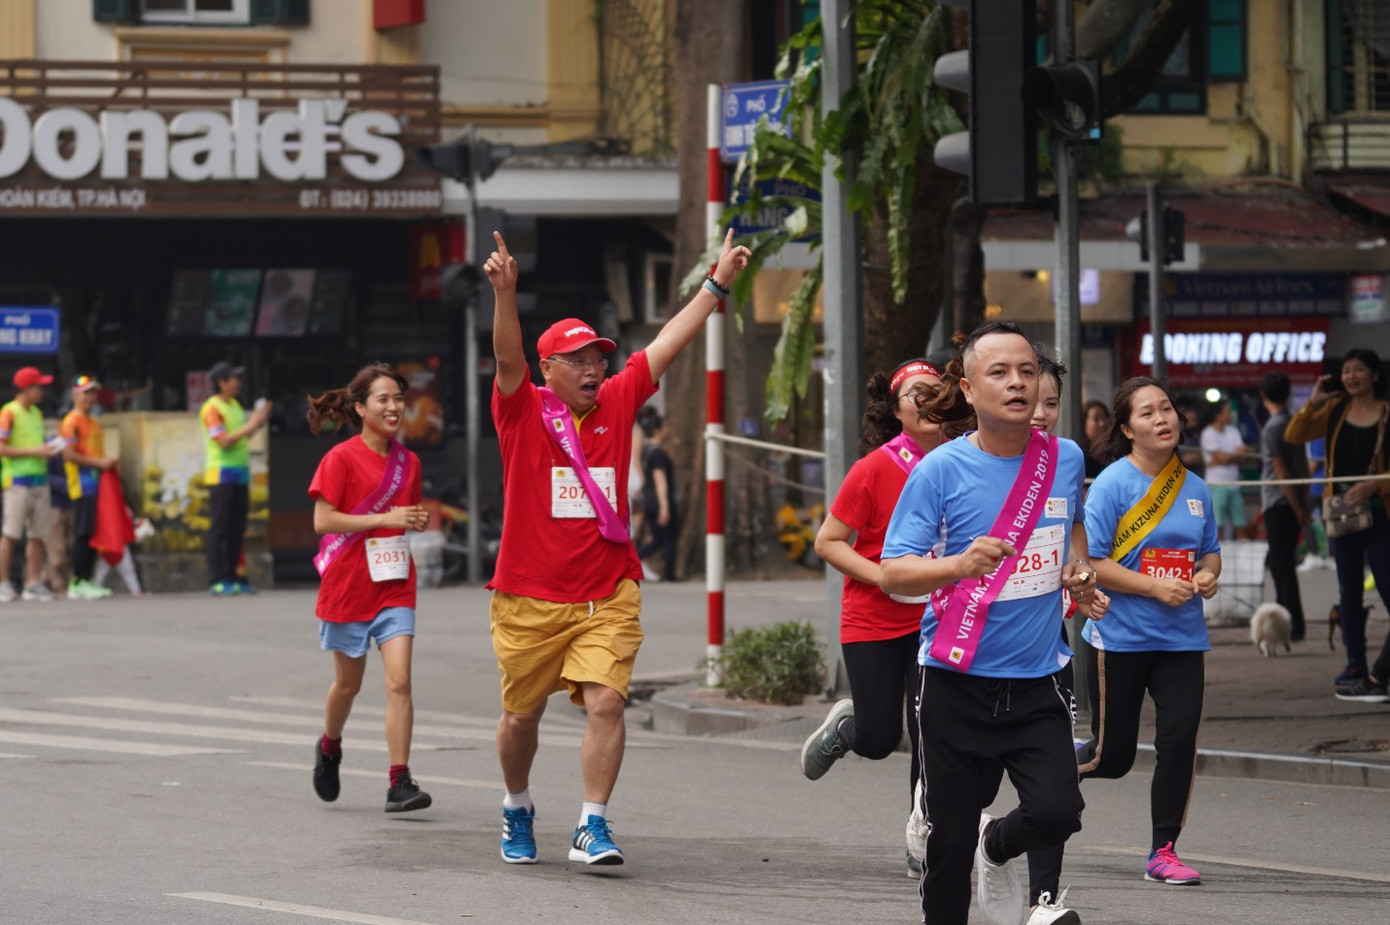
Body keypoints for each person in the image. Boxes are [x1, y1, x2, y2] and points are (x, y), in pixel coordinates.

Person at [482, 227, 750, 866]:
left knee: (606, 700)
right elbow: (508, 360)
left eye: (598, 357)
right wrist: (505, 294)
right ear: (550, 369)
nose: (594, 368)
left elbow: (667, 344)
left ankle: (591, 824)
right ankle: (516, 806)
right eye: (578, 360)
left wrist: (715, 286)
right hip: (528, 596)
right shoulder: (523, 410)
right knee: (521, 719)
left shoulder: (619, 401)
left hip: (608, 589)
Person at [880, 322, 1096, 925]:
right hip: (955, 680)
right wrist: (957, 564)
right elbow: (893, 574)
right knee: (946, 843)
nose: (1017, 383)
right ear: (970, 390)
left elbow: (1070, 528)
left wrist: (1078, 570)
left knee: (1060, 811)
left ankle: (996, 845)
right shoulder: (939, 471)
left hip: (1038, 680)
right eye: (999, 373)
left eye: (1027, 371)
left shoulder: (1066, 458)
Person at [800, 358, 944, 879]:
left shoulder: (961, 462)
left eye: (938, 392)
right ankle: (848, 727)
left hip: (938, 617)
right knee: (881, 738)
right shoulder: (874, 468)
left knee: (931, 731)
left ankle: (922, 837)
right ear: (896, 410)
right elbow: (828, 542)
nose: (928, 401)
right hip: (873, 618)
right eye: (916, 394)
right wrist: (880, 574)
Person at [1078, 377, 1221, 886]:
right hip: (1120, 638)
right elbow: (1091, 562)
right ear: (1127, 429)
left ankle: (1164, 850)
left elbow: (1210, 550)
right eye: (1147, 413)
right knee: (1110, 758)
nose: (1162, 419)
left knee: (1179, 741)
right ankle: (1046, 774)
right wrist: (1152, 588)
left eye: (1167, 409)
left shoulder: (1197, 488)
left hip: (1182, 640)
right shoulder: (1112, 484)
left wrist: (1207, 575)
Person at [306, 363, 433, 814]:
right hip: (348, 586)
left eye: (399, 397)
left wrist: (413, 519)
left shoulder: (409, 463)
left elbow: (407, 518)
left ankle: (399, 781)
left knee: (399, 681)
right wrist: (387, 518)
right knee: (347, 685)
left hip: (395, 583)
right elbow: (324, 521)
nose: (394, 406)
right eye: (383, 398)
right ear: (360, 408)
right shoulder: (340, 458)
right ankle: (329, 745)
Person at [1284, 348, 1390, 690]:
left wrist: (1376, 484)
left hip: (1381, 512)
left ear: (1375, 375)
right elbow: (1294, 435)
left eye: (1359, 369)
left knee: (1386, 589)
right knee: (1348, 594)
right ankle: (1355, 665)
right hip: (1342, 513)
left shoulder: (1387, 411)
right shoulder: (1335, 410)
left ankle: (1380, 668)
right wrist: (1313, 402)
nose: (1351, 376)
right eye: (1346, 371)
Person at [200, 361, 271, 596]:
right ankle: (217, 579)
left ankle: (234, 576)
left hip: (240, 473)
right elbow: (223, 441)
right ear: (221, 382)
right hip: (221, 474)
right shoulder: (212, 408)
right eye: (233, 378)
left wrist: (258, 422)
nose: (238, 382)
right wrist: (251, 424)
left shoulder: (235, 406)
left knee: (237, 528)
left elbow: (242, 437)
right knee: (219, 528)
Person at [0, 366, 62, 602]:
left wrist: (50, 448)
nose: (42, 391)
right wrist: (35, 451)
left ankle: (33, 582)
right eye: (38, 386)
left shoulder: (36, 412)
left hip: (40, 480)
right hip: (17, 481)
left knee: (38, 534)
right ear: (26, 388)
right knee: (10, 533)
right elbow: (1, 447)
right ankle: (4, 583)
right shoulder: (9, 412)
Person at [1258, 371, 1310, 641]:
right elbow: (1301, 469)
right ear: (1289, 394)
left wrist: (1298, 508)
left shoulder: (1273, 427)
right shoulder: (1293, 423)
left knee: (1282, 568)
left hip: (1278, 503)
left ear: (1263, 396)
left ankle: (1291, 626)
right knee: (1282, 566)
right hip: (1291, 502)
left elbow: (1281, 472)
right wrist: (1302, 506)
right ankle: (1289, 624)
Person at [60, 375, 117, 601]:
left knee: (93, 532)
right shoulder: (71, 421)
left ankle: (87, 578)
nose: (91, 398)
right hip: (81, 485)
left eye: (93, 393)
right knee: (83, 533)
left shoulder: (93, 421)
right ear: (75, 396)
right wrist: (99, 463)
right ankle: (78, 580)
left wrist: (107, 463)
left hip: (97, 485)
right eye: (86, 393)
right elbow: (68, 454)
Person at [635, 407, 679, 582]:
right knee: (666, 538)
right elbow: (660, 480)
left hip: (649, 499)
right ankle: (669, 575)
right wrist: (665, 507)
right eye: (665, 426)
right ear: (658, 429)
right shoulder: (658, 454)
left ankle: (669, 573)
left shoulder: (646, 451)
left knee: (659, 538)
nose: (668, 430)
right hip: (658, 500)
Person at [1200, 400, 1252, 540]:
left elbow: (1243, 458)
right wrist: (1235, 453)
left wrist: (1223, 457)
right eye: (1227, 411)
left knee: (1240, 524)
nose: (1230, 414)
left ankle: (1244, 560)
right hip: (1216, 485)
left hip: (1234, 485)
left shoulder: (1233, 431)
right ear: (1218, 415)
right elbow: (1223, 458)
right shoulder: (1208, 433)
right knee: (1217, 527)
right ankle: (1217, 558)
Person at [1081, 399, 1110, 480]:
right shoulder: (1081, 455)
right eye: (1096, 419)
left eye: (1105, 418)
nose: (1102, 423)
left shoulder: (1115, 453)